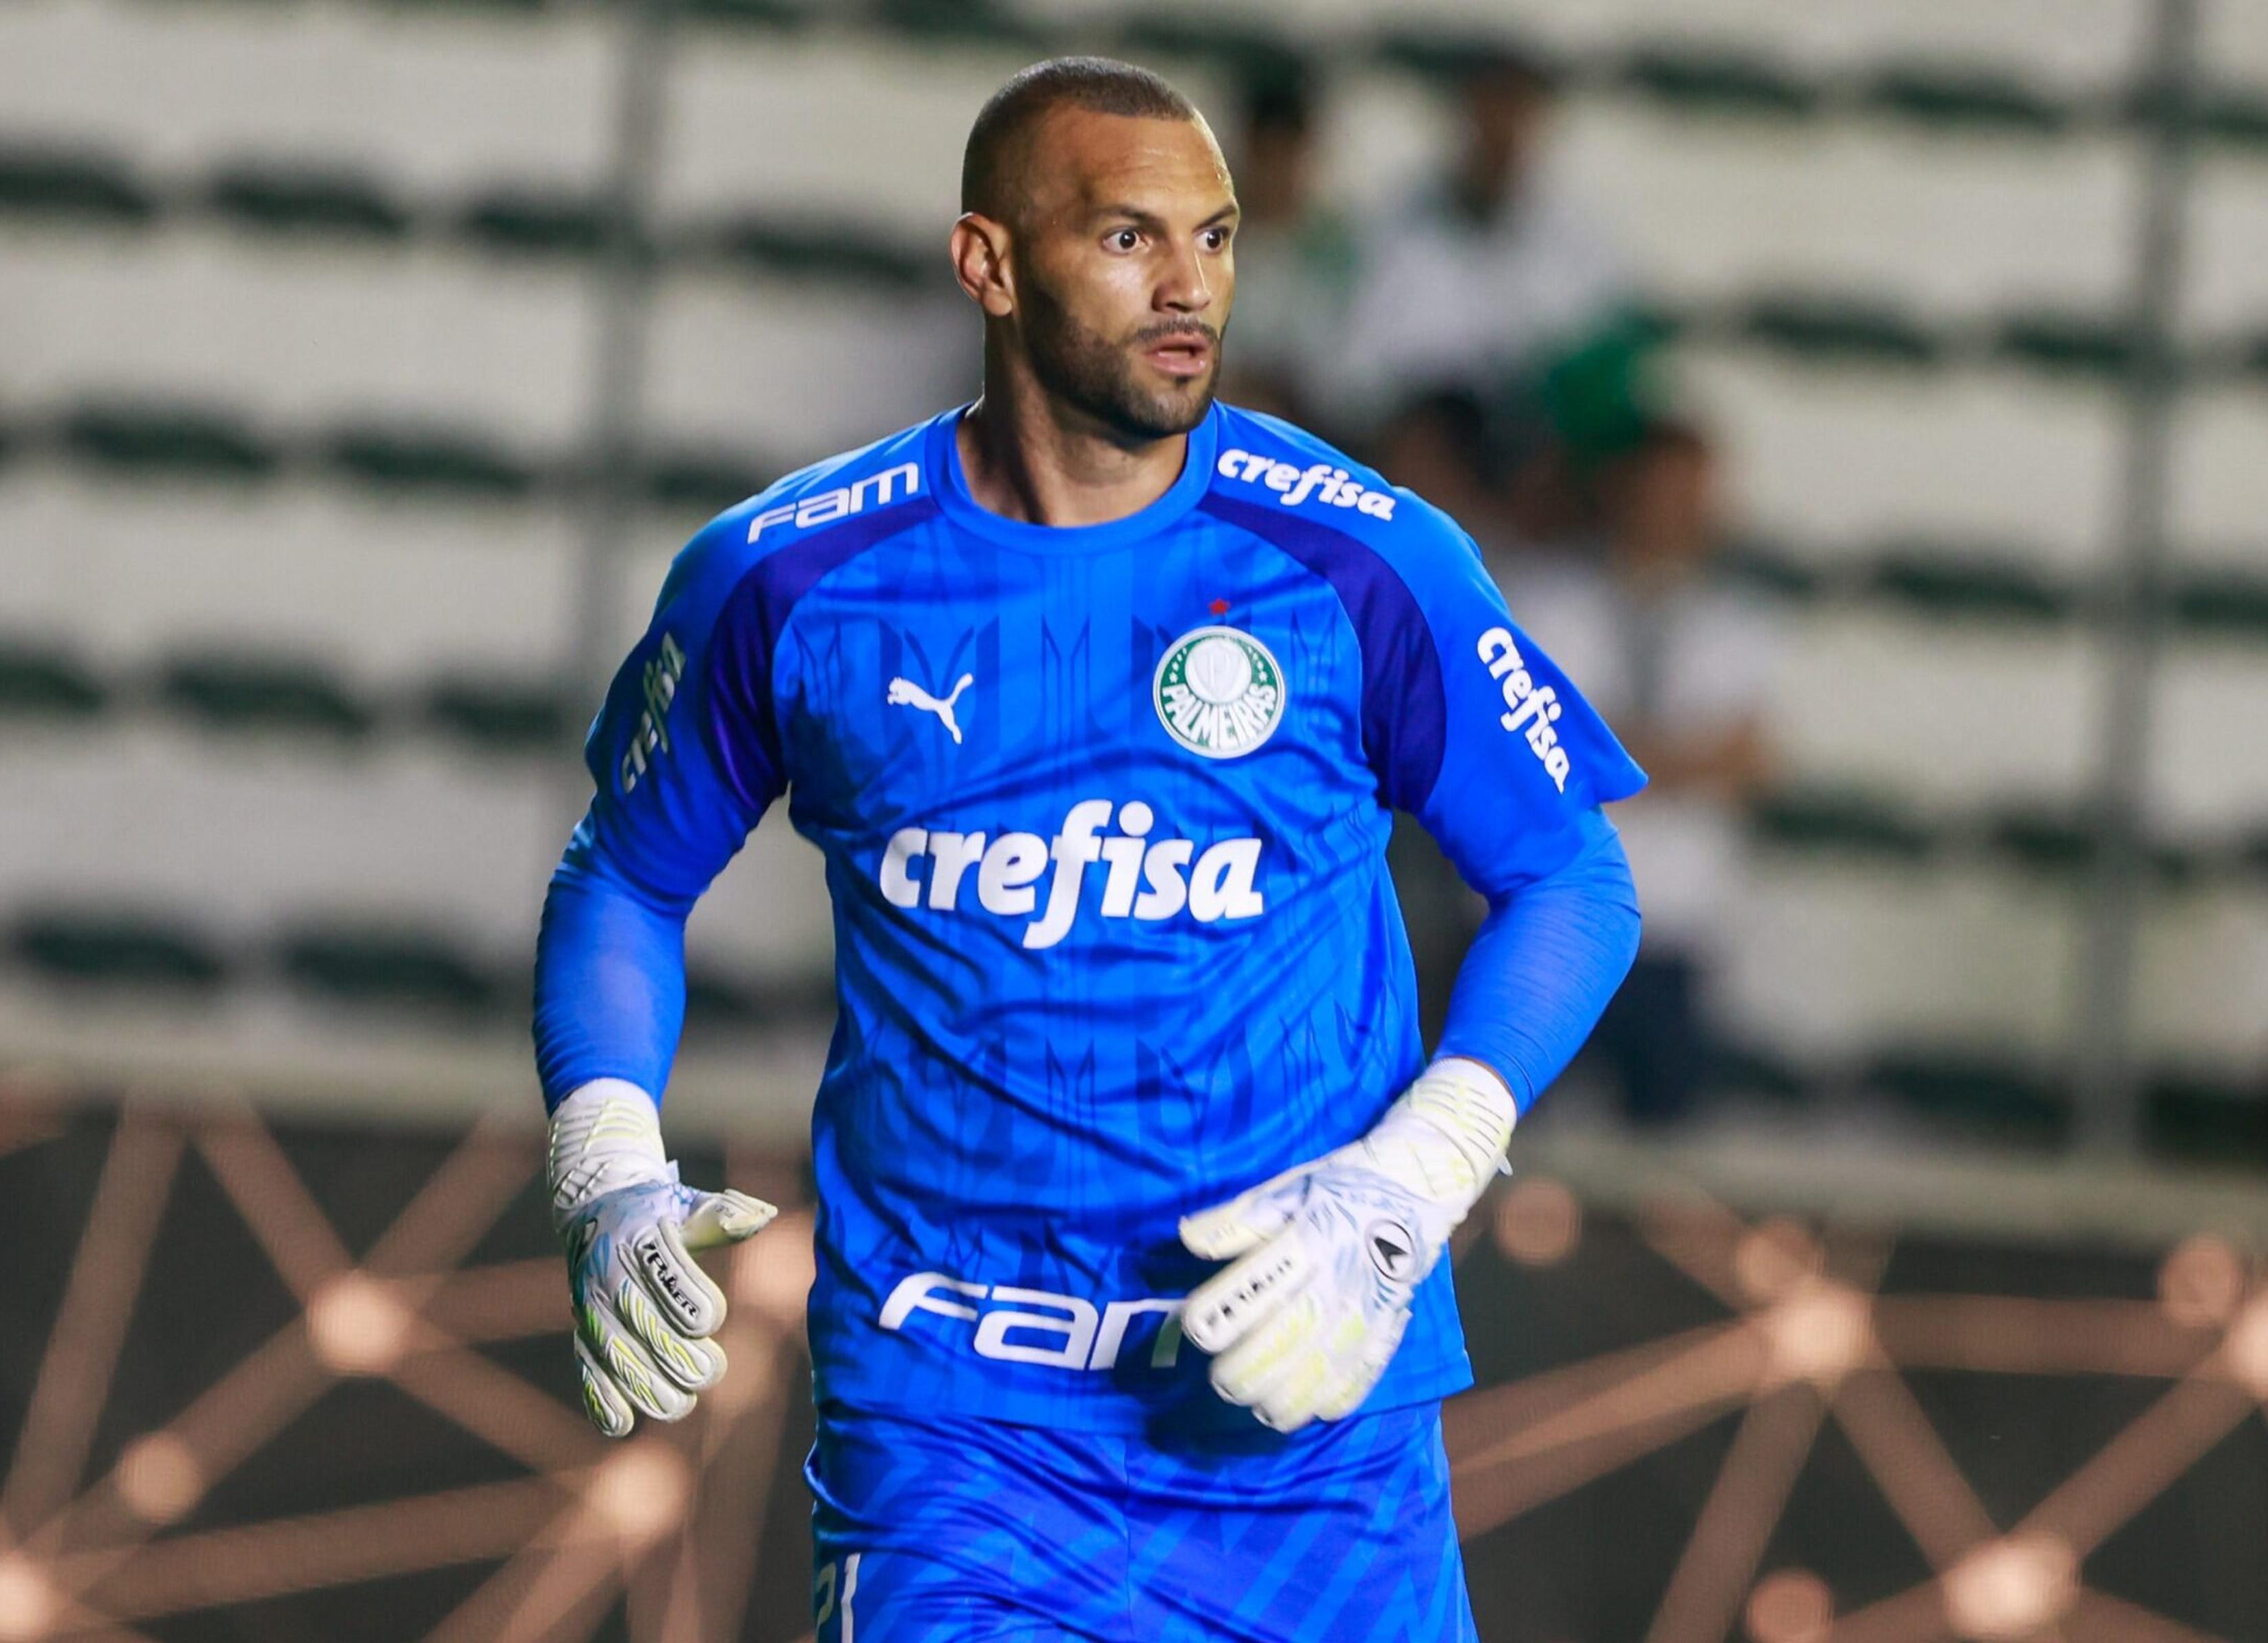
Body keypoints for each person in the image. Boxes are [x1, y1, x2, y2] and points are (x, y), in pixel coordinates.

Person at [528, 57, 1643, 1643]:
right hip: (953, 1436)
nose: (1191, 287)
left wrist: (1409, 1184)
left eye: (1218, 237)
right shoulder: (785, 577)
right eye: (1129, 238)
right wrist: (604, 1162)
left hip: (1307, 1403)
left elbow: (1572, 876)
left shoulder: (1361, 556)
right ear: (986, 261)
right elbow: (622, 875)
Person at [1504, 420, 1782, 1123]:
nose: (1680, 510)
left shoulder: (1742, 623)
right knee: (1514, 1143)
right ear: (1621, 493)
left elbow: (1757, 763)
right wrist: (1692, 759)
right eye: (1664, 491)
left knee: (1669, 1167)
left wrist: (1613, 754)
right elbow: (1530, 751)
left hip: (1679, 928)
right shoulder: (1543, 600)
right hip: (1548, 919)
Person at [1324, 46, 1627, 438]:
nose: (1501, 135)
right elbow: (1357, 368)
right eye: (1490, 115)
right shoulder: (1395, 224)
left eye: (1516, 117)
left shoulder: (1575, 238)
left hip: (1527, 437)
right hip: (1414, 427)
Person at [1212, 62, 1358, 429]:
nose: (1275, 174)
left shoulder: (1338, 248)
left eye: (1286, 156)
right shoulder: (1212, 242)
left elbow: (1345, 363)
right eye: (1266, 155)